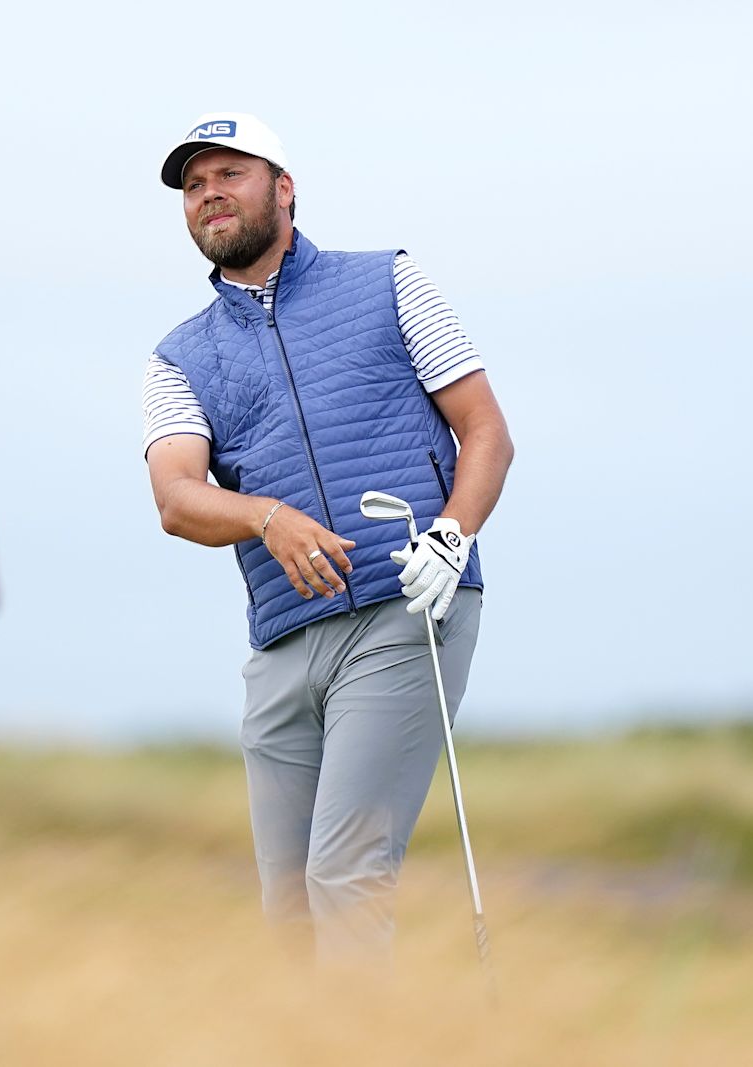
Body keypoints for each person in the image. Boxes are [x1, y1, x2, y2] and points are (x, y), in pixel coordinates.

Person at [143, 114, 514, 963]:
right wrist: (264, 515)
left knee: (345, 873)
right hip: (282, 641)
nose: (210, 196)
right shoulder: (179, 357)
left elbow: (486, 431)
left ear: (283, 186)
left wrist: (453, 536)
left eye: (229, 175)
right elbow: (175, 496)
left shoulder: (389, 280)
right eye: (194, 186)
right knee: (289, 902)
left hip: (405, 606)